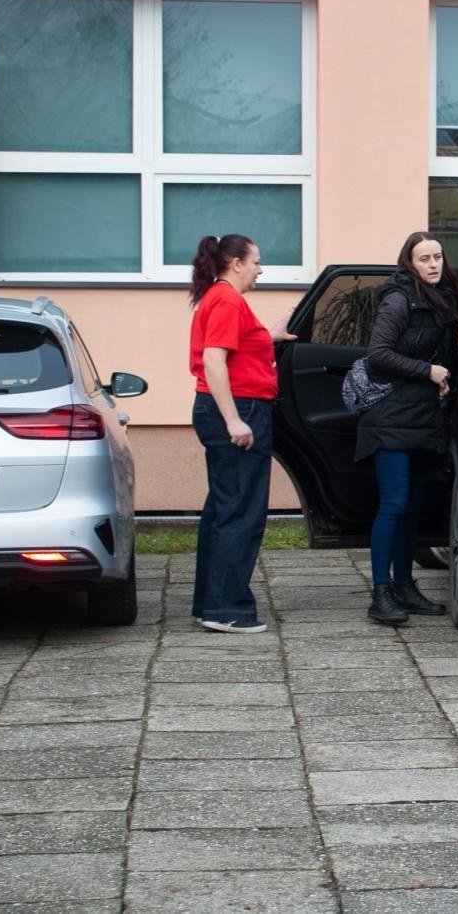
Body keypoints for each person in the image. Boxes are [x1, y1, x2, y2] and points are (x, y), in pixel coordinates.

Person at [357, 231, 458, 625]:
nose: (434, 264)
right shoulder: (399, 299)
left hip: (423, 417)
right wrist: (428, 371)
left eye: (438, 256)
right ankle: (381, 592)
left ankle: (404, 586)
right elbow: (378, 356)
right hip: (390, 417)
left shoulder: (442, 298)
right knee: (394, 503)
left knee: (413, 507)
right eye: (425, 259)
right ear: (410, 263)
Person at [189, 234, 289, 633]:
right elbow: (215, 362)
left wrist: (269, 336)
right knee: (241, 513)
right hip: (239, 408)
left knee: (222, 511)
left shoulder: (217, 297)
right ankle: (227, 609)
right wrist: (234, 420)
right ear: (235, 262)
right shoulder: (229, 300)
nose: (260, 269)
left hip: (228, 407)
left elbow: (236, 349)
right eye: (256, 262)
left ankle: (210, 603)